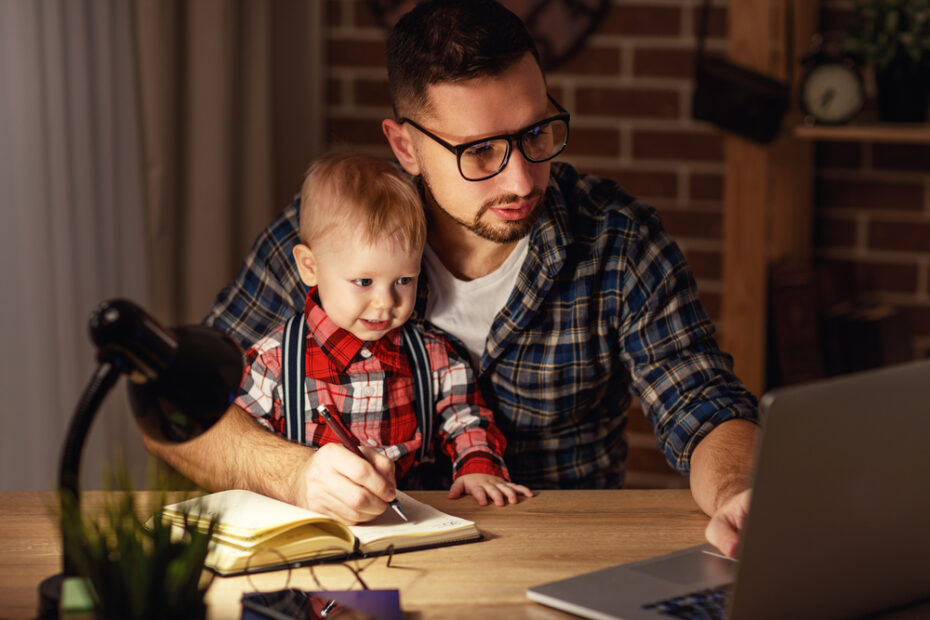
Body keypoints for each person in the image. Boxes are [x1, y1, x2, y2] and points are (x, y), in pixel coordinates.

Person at [145, 0, 759, 557]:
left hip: (559, 562)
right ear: (406, 148)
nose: (522, 180)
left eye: (536, 132)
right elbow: (179, 411)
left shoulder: (617, 242)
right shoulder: (327, 243)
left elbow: (702, 404)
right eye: (481, 150)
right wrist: (295, 474)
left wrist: (739, 491)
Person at [236, 152, 531, 513]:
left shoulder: (432, 355)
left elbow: (466, 417)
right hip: (314, 522)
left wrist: (478, 467)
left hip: (415, 521)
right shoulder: (274, 361)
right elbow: (244, 445)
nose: (386, 301)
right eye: (364, 281)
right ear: (310, 267)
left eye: (404, 280)